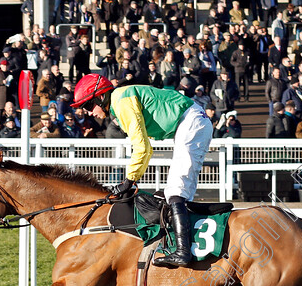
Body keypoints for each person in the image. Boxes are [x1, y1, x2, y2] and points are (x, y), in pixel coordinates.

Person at [70, 73, 214, 267]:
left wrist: (129, 180)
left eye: (88, 106)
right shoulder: (119, 101)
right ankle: (180, 245)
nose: (88, 112)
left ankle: (183, 251)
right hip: (190, 122)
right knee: (173, 192)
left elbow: (142, 147)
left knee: (176, 191)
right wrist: (131, 179)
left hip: (190, 122)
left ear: (101, 96)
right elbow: (145, 147)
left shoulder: (121, 101)